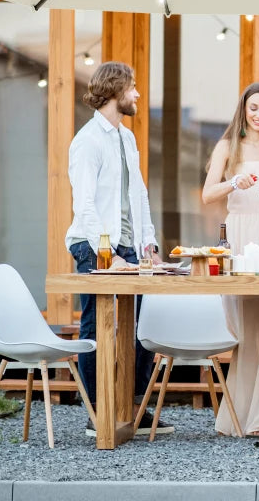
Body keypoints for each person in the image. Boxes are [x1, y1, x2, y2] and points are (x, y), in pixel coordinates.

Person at [65, 61, 174, 437]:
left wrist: (149, 244)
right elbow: (84, 206)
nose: (138, 94)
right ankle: (99, 413)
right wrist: (107, 256)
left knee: (144, 323)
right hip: (92, 246)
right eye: (132, 88)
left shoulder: (126, 138)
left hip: (128, 248)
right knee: (96, 325)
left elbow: (138, 195)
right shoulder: (87, 141)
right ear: (114, 91)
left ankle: (134, 407)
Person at [202, 81, 259, 436]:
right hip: (240, 235)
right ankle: (235, 416)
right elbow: (208, 194)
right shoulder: (227, 145)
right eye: (254, 108)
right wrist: (233, 183)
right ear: (244, 109)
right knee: (243, 328)